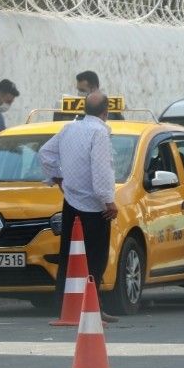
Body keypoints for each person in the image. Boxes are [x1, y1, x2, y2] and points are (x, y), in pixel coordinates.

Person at [39, 92, 120, 322]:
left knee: (69, 256)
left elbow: (45, 153)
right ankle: (93, 307)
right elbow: (101, 170)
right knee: (95, 259)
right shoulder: (99, 132)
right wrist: (109, 201)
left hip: (71, 203)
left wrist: (57, 177)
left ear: (85, 109)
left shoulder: (69, 128)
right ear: (106, 111)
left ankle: (64, 306)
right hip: (95, 208)